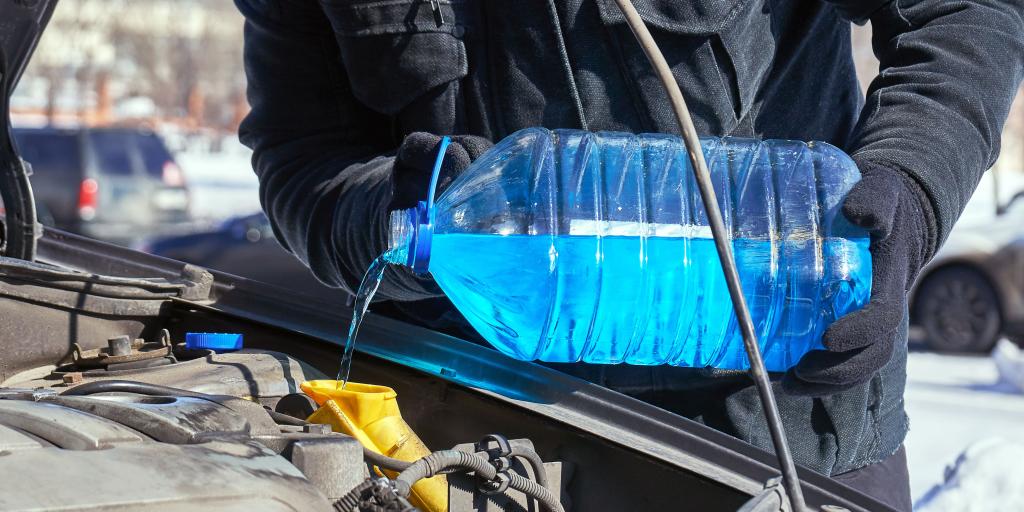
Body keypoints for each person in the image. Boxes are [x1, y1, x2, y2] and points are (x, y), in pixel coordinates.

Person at [233, 1, 1024, 509]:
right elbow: (304, 155)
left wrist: (911, 186)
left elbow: (962, 15)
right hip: (488, 441)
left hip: (778, 425)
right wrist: (395, 219)